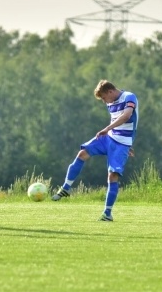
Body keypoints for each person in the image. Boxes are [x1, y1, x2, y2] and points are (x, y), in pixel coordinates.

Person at [50, 80, 138, 221]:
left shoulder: (129, 97)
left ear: (110, 91)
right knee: (82, 153)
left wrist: (123, 143)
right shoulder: (110, 102)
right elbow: (118, 120)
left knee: (112, 176)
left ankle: (107, 214)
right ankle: (66, 188)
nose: (104, 101)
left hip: (120, 143)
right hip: (108, 138)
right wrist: (111, 132)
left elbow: (126, 116)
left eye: (103, 98)